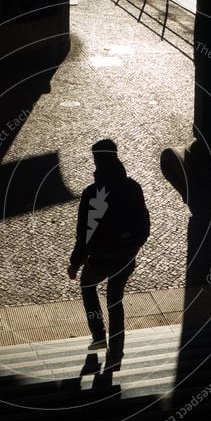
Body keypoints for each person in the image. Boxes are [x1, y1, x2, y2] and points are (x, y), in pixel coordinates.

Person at [68, 139, 150, 365]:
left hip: (101, 258)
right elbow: (144, 224)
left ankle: (97, 335)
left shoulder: (92, 193)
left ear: (97, 161)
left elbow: (84, 233)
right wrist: (133, 244)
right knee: (115, 300)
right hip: (125, 257)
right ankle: (116, 351)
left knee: (87, 286)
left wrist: (75, 263)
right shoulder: (133, 188)